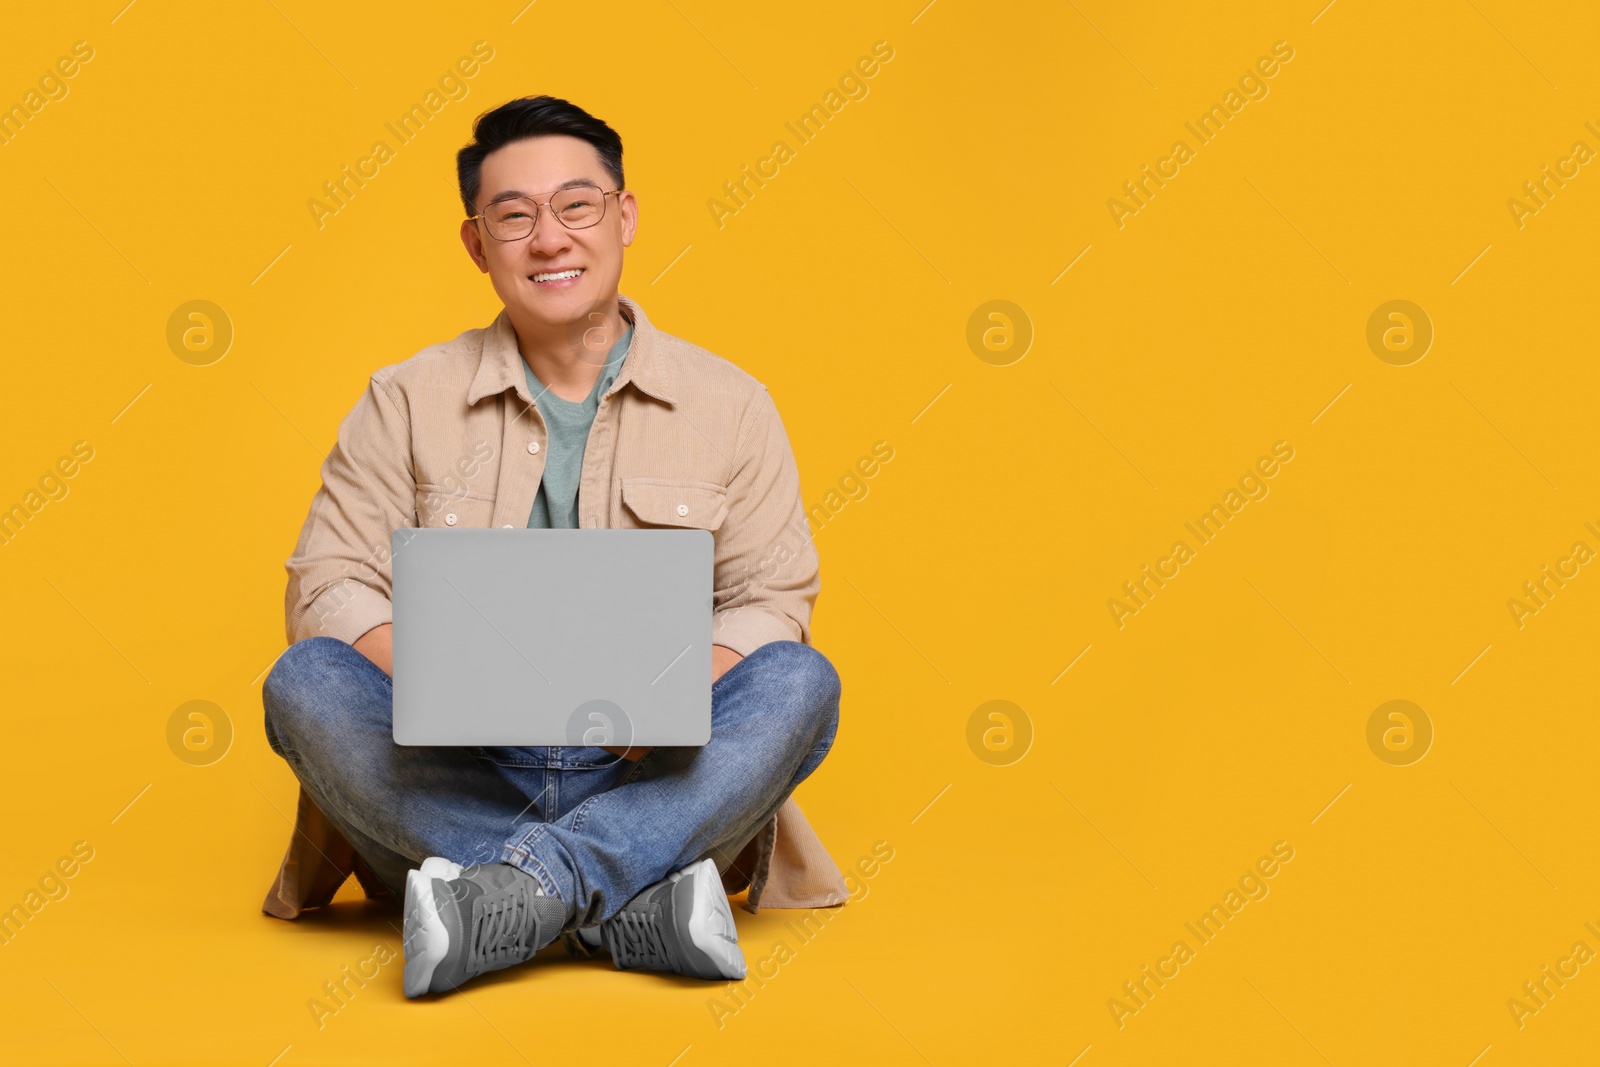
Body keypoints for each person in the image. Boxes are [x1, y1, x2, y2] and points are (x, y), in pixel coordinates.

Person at [261, 95, 842, 999]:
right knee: (302, 685)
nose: (549, 239)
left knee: (803, 684)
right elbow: (327, 583)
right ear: (476, 243)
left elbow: (773, 599)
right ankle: (629, 901)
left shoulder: (732, 404)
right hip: (455, 763)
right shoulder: (404, 398)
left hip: (654, 767)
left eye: (576, 206)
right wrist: (449, 685)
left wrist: (676, 694)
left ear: (624, 215)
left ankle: (509, 896)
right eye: (515, 215)